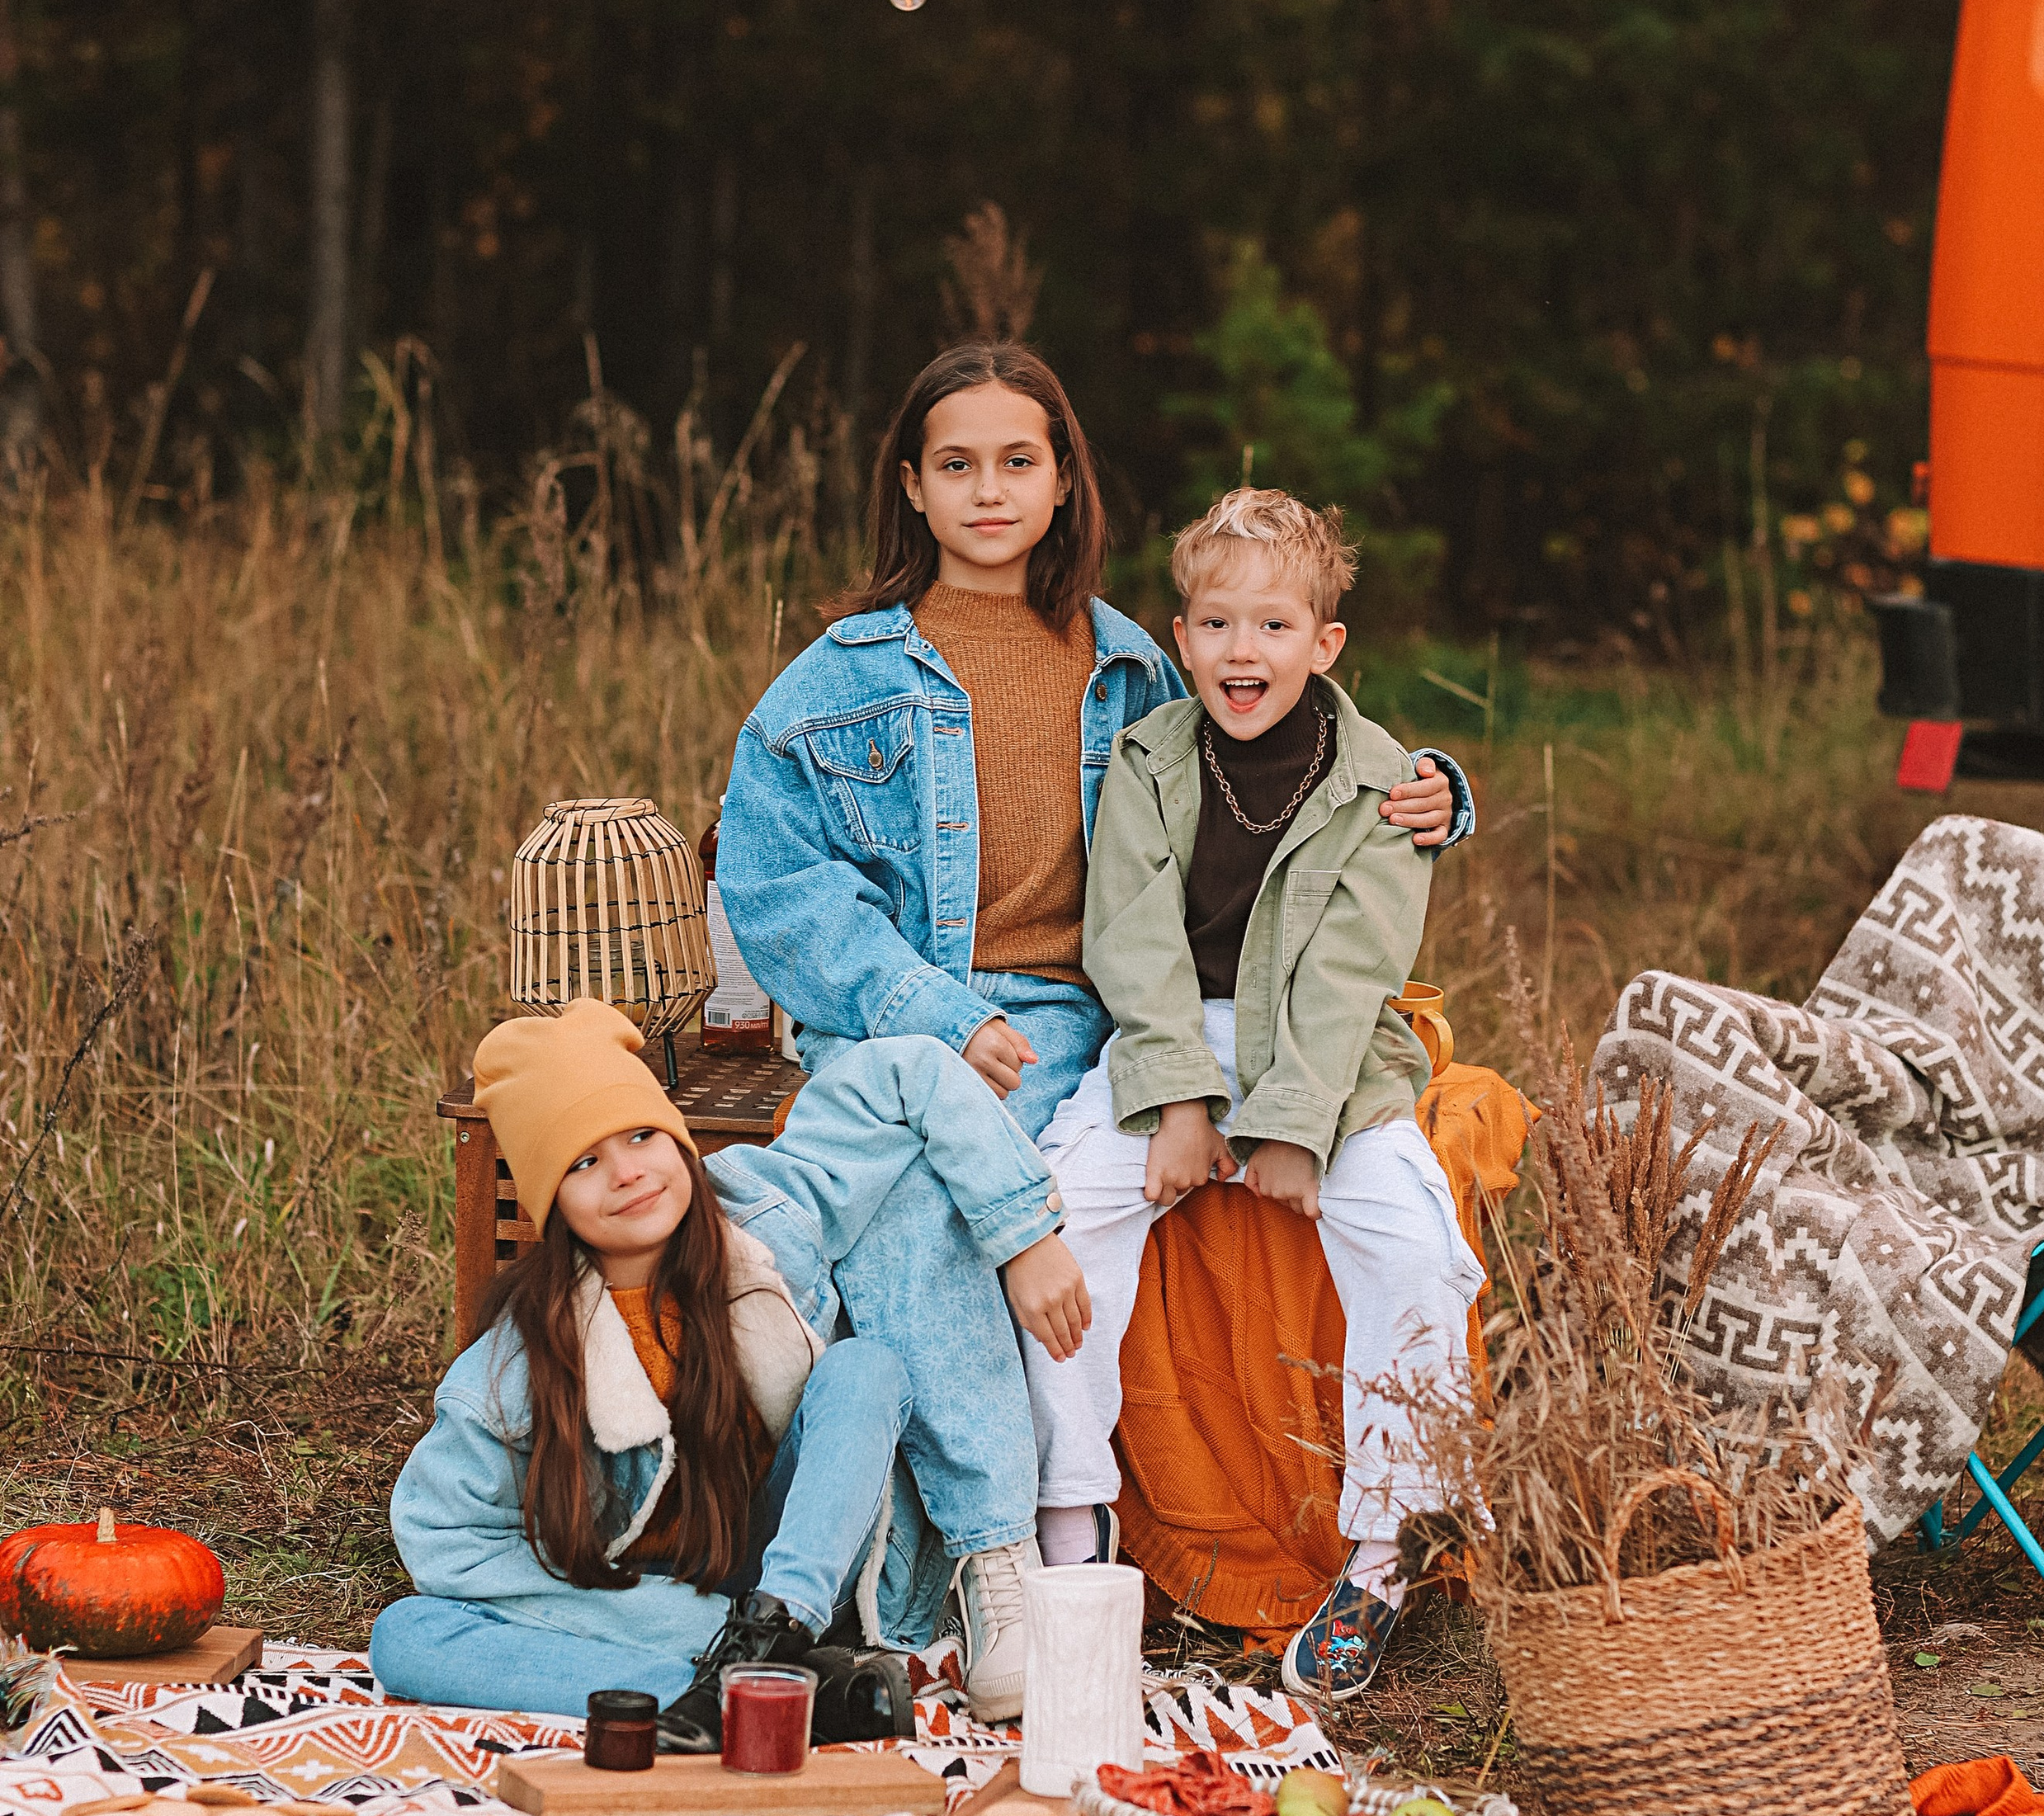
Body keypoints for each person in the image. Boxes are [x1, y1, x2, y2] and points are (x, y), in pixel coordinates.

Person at [715, 340, 1470, 1677]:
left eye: (1020, 462)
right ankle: (977, 1538)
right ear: (911, 486)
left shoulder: (1130, 666)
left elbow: (1297, 735)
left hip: (1078, 1016)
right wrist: (930, 1008)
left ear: (1064, 482)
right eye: (958, 465)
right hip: (919, 1022)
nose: (990, 492)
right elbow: (776, 880)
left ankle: (1001, 1566)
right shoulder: (844, 674)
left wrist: (1437, 792)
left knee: (985, 1215)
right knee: (916, 1193)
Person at [1036, 485, 1487, 1703]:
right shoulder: (1147, 762)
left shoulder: (1385, 782)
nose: (1247, 653)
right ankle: (1073, 1525)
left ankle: (1383, 1550)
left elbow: (1356, 967)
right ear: (1179, 639)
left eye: (1276, 628)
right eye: (1220, 626)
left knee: (1411, 1237)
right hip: (1172, 1036)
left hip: (1327, 1058)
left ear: (1324, 643)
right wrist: (1181, 1103)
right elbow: (1131, 937)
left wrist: (1288, 1129)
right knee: (1064, 1219)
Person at [371, 997, 1079, 1739]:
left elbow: (906, 1072)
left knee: (864, 1368)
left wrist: (1025, 1233)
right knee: (407, 1635)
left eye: (642, 1135)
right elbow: (444, 1539)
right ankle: (759, 1694)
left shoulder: (765, 1215)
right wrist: (682, 1622)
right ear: (553, 1203)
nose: (627, 1174)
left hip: (799, 1575)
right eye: (584, 1162)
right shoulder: (522, 1359)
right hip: (657, 1612)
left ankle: (776, 1643)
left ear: (676, 1139)